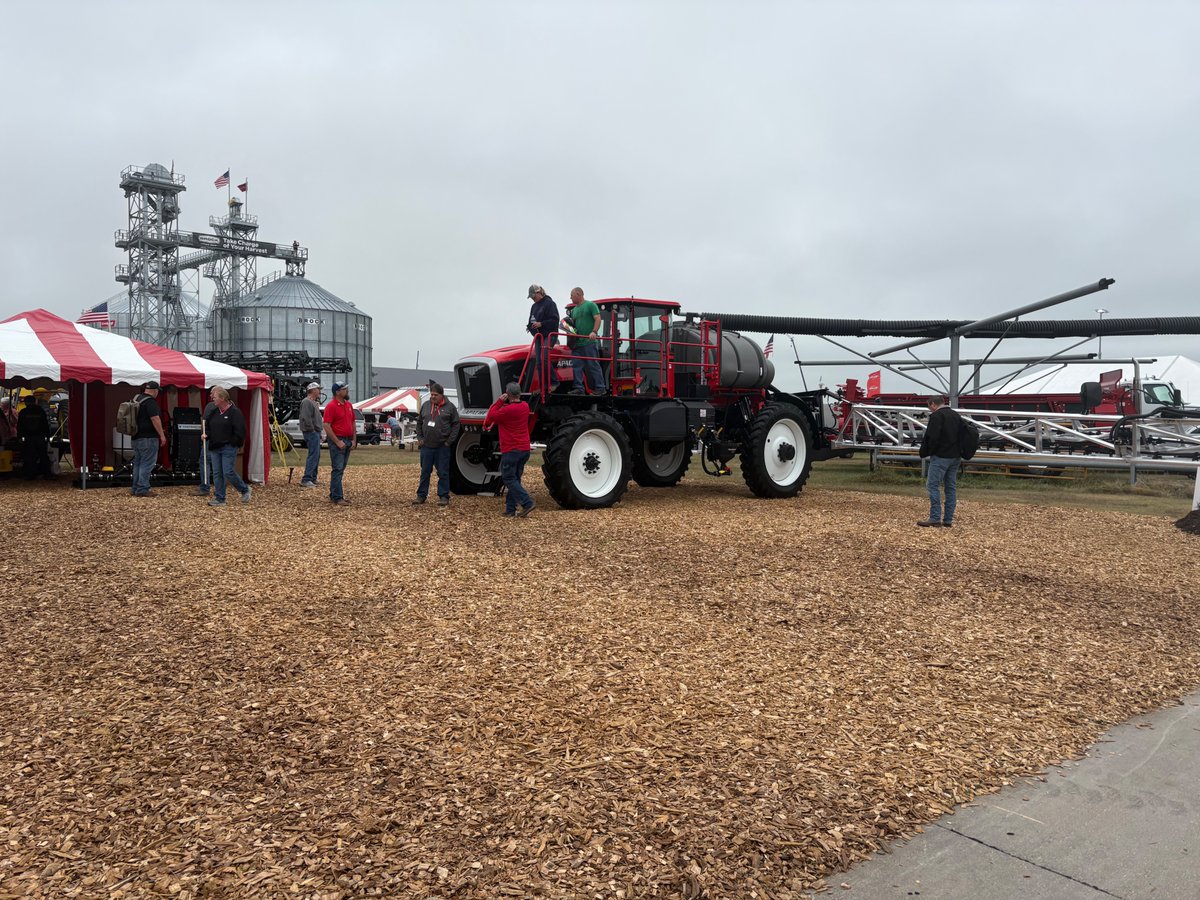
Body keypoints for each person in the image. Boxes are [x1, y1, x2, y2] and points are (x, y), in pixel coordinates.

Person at [484, 382, 535, 517]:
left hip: (512, 449)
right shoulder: (525, 406)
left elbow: (490, 416)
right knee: (515, 479)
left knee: (508, 478)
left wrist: (499, 401)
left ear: (508, 394)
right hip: (524, 449)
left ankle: (527, 502)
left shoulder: (507, 410)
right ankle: (510, 509)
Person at [918, 395, 963, 528]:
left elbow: (932, 437)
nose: (929, 409)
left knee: (933, 485)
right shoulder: (955, 415)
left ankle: (935, 517)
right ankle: (948, 519)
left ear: (933, 404)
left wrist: (927, 451)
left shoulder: (937, 416)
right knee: (950, 487)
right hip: (955, 456)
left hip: (941, 456)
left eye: (929, 406)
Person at [203, 386, 252, 507]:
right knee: (217, 473)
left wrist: (234, 442)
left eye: (215, 397)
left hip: (228, 447)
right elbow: (207, 426)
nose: (213, 399)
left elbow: (240, 430)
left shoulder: (235, 412)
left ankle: (244, 489)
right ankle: (220, 498)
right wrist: (206, 435)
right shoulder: (214, 412)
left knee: (228, 471)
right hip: (215, 447)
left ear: (222, 398)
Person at [413, 382, 460, 507]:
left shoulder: (450, 407)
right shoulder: (426, 405)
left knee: (443, 472)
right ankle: (421, 495)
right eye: (432, 394)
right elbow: (419, 422)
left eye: (435, 395)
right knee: (425, 472)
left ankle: (444, 496)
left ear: (441, 395)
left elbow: (456, 424)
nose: (433, 397)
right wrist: (420, 438)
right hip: (426, 446)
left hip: (442, 446)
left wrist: (449, 441)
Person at [322, 381, 357, 506]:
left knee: (340, 468)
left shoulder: (348, 405)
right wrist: (337, 441)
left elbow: (353, 422)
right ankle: (337, 497)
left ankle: (334, 494)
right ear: (337, 392)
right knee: (337, 468)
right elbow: (326, 425)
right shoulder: (331, 406)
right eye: (344, 389)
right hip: (338, 440)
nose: (347, 390)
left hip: (347, 439)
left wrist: (354, 440)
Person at [130, 381, 167, 497]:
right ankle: (143, 488)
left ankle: (135, 488)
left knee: (138, 464)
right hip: (148, 438)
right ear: (155, 391)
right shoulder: (150, 402)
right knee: (147, 464)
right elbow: (155, 418)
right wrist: (162, 435)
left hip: (136, 437)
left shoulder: (137, 399)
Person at [566, 287, 605, 395]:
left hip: (589, 342)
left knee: (593, 365)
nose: (570, 297)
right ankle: (579, 388)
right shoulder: (574, 310)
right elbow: (572, 326)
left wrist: (594, 332)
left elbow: (598, 318)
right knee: (576, 366)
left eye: (572, 295)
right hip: (577, 344)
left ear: (578, 294)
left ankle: (600, 388)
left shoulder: (590, 305)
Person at [526, 284, 559, 386]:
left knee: (544, 358)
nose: (532, 299)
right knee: (539, 362)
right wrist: (530, 327)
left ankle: (554, 382)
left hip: (549, 335)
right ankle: (543, 387)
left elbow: (555, 321)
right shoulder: (534, 307)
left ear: (539, 293)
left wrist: (541, 324)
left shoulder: (550, 304)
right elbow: (530, 321)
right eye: (531, 297)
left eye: (533, 296)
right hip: (539, 337)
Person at [17, 394, 51, 480]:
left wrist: (19, 436)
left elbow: (20, 426)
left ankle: (31, 474)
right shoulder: (40, 410)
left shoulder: (23, 412)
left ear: (26, 402)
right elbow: (45, 423)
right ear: (35, 401)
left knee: (30, 456)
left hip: (29, 437)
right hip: (40, 436)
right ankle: (46, 474)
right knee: (43, 455)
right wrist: (47, 435)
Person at [298, 381, 323, 488]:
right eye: (318, 389)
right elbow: (306, 417)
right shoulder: (307, 402)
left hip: (315, 431)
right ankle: (306, 479)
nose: (319, 391)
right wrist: (312, 430)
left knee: (316, 455)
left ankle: (312, 477)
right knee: (313, 455)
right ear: (313, 390)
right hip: (311, 432)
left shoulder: (312, 402)